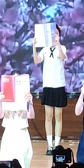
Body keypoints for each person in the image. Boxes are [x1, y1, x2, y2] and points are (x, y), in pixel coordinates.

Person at [33, 25, 67, 155]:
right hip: (48, 86)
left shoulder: (62, 48)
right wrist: (34, 46)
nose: (54, 35)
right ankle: (49, 145)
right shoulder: (45, 49)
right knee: (48, 116)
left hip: (59, 86)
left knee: (58, 116)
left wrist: (58, 45)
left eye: (56, 33)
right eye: (53, 33)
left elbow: (63, 58)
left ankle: (57, 145)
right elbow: (36, 60)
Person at [0, 81, 35, 168]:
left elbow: (31, 116)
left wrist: (30, 102)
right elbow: (0, 115)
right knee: (6, 159)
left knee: (23, 161)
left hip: (22, 132)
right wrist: (0, 101)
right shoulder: (5, 96)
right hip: (9, 132)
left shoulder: (26, 97)